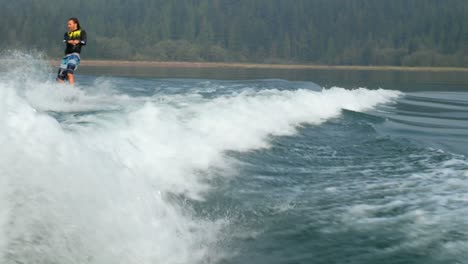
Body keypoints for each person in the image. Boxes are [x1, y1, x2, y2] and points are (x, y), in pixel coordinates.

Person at [56, 18, 87, 85]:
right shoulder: (67, 34)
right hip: (66, 57)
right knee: (59, 78)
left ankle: (72, 91)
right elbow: (65, 40)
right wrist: (70, 41)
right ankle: (62, 92)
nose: (68, 26)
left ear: (75, 24)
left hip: (75, 55)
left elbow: (84, 42)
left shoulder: (82, 32)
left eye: (70, 24)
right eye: (68, 24)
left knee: (69, 72)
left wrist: (78, 41)